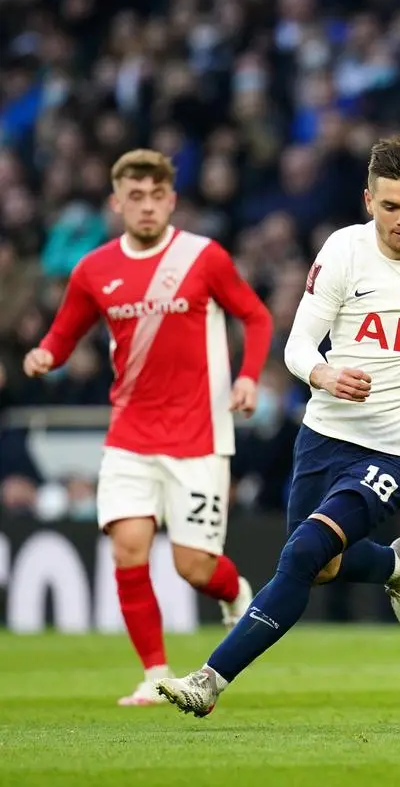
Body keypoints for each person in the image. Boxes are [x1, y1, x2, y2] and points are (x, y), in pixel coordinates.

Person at [155, 135, 400, 717]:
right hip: (325, 434)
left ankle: (209, 680)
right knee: (321, 564)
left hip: (399, 449)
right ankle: (393, 564)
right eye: (389, 207)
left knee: (301, 555)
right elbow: (298, 345)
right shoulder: (343, 252)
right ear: (367, 200)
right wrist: (322, 374)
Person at [23, 149, 270, 706]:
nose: (147, 206)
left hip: (200, 437)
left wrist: (249, 377)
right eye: (135, 197)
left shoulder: (202, 257)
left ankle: (235, 593)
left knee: (194, 567)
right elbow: (64, 333)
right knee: (128, 548)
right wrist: (44, 354)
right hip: (130, 436)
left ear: (172, 200)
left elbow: (254, 315)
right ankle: (155, 674)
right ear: (117, 203)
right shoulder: (94, 270)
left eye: (157, 196)